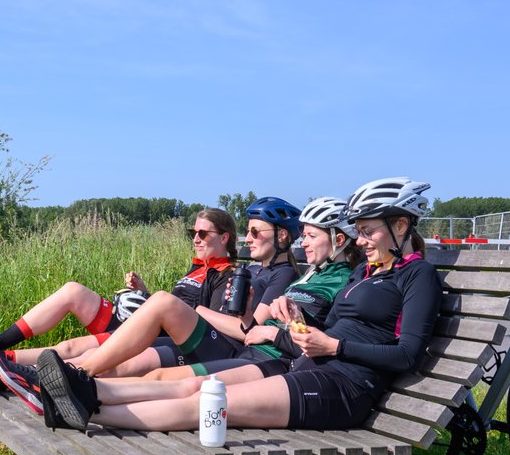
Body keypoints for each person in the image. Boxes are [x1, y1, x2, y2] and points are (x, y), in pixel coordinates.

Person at [35, 177, 442, 434]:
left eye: (369, 231)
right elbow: (329, 329)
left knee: (205, 404)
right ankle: (80, 389)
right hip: (308, 366)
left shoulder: (416, 275)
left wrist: (335, 348)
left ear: (401, 226)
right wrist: (298, 323)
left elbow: (407, 353)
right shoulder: (362, 276)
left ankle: (84, 407)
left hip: (345, 384)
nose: (362, 240)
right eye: (358, 232)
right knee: (196, 388)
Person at [0, 207, 242, 386]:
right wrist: (143, 292)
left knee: (72, 347)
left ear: (225, 238)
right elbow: (174, 305)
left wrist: (155, 303)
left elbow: (203, 324)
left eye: (203, 234)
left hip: (152, 336)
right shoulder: (197, 268)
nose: (196, 239)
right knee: (72, 291)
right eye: (193, 233)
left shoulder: (228, 276)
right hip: (140, 321)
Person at [32, 196, 303, 381]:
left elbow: (249, 330)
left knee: (131, 359)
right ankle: (33, 371)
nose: (250, 239)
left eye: (256, 232)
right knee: (86, 349)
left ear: (281, 236)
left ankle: (71, 377)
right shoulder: (255, 269)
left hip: (223, 345)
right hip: (206, 335)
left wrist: (191, 310)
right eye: (249, 232)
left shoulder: (283, 273)